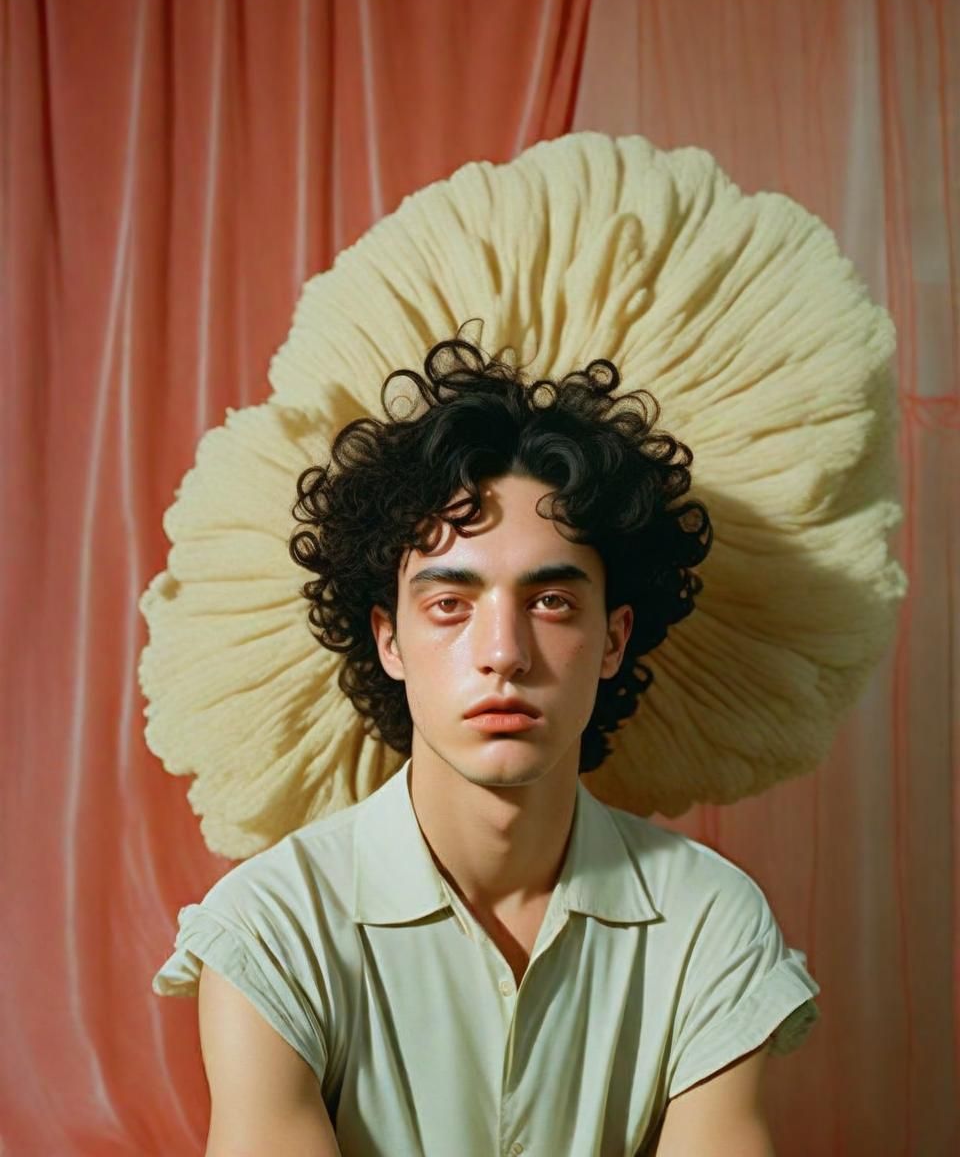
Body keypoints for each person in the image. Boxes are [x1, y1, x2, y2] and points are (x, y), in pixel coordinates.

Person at [154, 333, 820, 1156]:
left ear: (613, 641)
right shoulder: (269, 932)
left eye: (548, 601)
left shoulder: (711, 922)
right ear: (388, 641)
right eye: (449, 604)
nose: (503, 651)